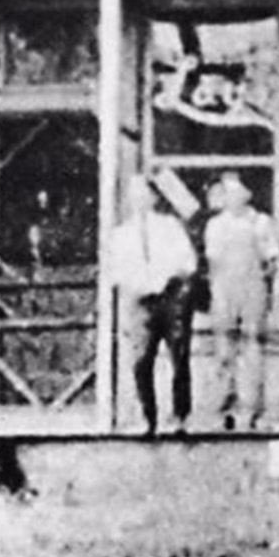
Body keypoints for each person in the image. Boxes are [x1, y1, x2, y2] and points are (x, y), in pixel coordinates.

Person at [109, 174, 199, 437]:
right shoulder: (120, 234)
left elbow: (188, 262)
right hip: (140, 302)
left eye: (144, 194)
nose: (139, 200)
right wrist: (136, 282)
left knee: (179, 358)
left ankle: (181, 418)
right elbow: (116, 271)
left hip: (170, 299)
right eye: (133, 195)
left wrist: (167, 276)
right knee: (140, 361)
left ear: (154, 198)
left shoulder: (170, 226)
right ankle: (149, 419)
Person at [203, 172, 277, 430]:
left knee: (253, 348)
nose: (232, 198)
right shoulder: (215, 225)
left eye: (237, 192)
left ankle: (254, 410)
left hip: (252, 289)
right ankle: (225, 408)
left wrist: (261, 279)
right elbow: (213, 260)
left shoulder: (261, 222)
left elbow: (273, 258)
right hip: (224, 290)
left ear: (246, 195)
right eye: (228, 193)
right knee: (224, 349)